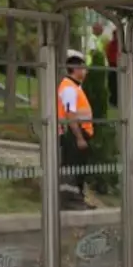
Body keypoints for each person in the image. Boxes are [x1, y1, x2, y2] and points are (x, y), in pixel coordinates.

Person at [58, 50, 95, 211]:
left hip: (79, 133)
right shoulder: (68, 88)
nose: (85, 72)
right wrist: (79, 137)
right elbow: (70, 114)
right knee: (73, 168)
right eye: (83, 68)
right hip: (73, 134)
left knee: (79, 168)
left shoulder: (74, 87)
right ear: (76, 69)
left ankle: (78, 198)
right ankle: (71, 200)